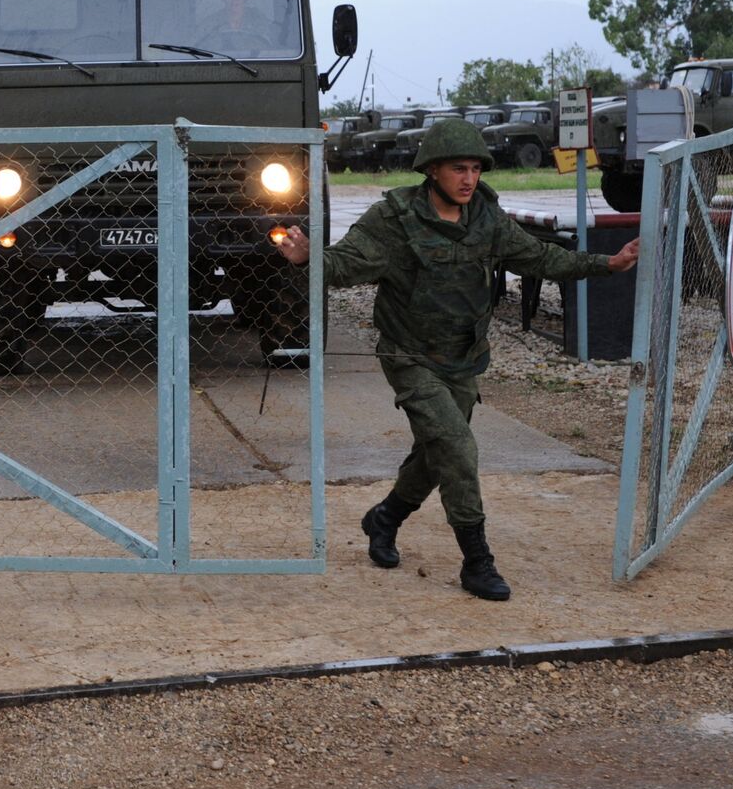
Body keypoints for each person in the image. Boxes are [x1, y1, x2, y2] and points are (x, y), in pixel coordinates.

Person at [273, 120, 638, 601]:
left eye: (473, 169)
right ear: (432, 171)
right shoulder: (394, 219)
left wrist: (604, 263)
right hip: (409, 355)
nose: (468, 179)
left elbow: (539, 258)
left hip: (465, 359)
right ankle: (477, 562)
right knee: (458, 448)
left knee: (437, 452)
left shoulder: (486, 216)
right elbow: (344, 265)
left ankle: (384, 519)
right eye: (457, 169)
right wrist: (305, 259)